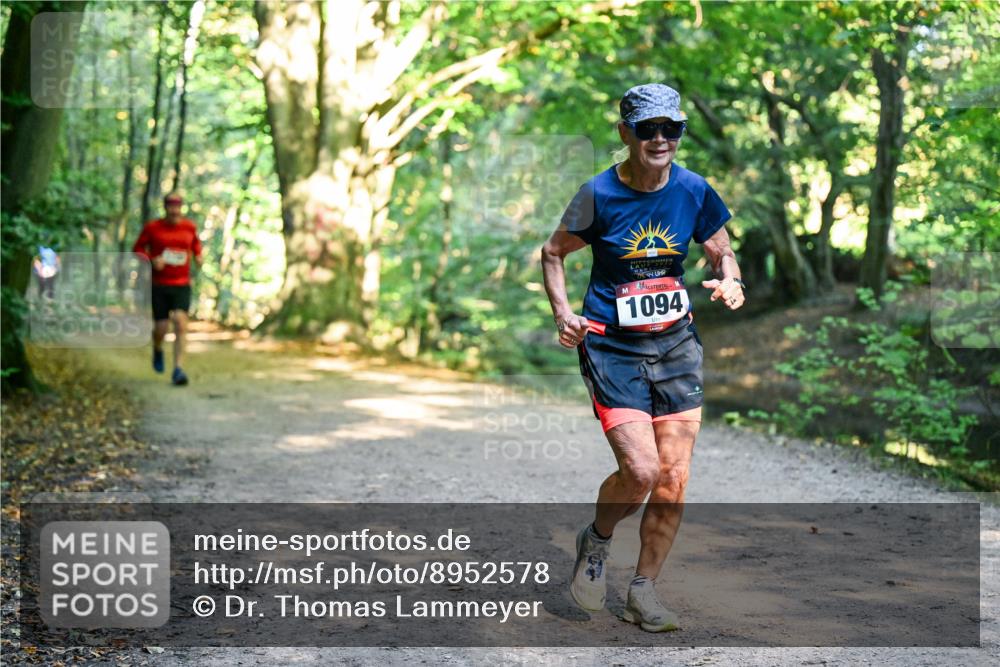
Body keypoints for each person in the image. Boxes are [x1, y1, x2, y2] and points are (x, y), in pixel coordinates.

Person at [540, 83, 745, 632]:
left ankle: (643, 590)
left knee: (674, 476)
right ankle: (598, 540)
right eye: (648, 129)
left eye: (671, 129)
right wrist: (564, 314)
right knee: (642, 470)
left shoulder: (695, 190)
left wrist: (730, 279)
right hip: (612, 345)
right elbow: (554, 252)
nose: (661, 139)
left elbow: (721, 248)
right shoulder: (598, 195)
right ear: (626, 133)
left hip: (676, 344)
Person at [133, 192, 203, 386]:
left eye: (178, 206)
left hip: (182, 284)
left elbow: (196, 245)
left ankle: (178, 369)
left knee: (180, 323)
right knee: (161, 328)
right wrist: (152, 260)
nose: (174, 210)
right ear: (165, 207)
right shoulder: (153, 228)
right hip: (159, 285)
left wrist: (198, 257)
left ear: (181, 207)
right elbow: (137, 249)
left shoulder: (189, 227)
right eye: (171, 206)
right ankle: (157, 348)